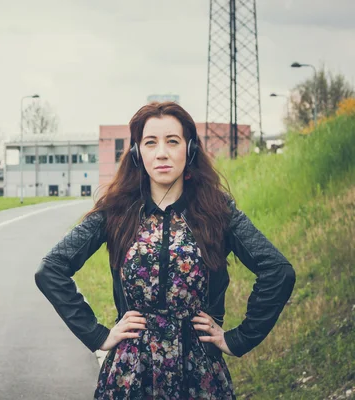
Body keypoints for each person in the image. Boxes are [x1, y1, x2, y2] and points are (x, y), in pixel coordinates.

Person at [35, 101, 296, 399]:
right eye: (150, 142)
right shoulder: (116, 211)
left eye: (172, 141)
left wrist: (238, 339)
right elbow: (51, 269)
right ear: (137, 152)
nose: (162, 152)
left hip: (199, 373)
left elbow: (278, 271)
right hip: (130, 373)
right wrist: (98, 335)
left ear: (190, 149)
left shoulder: (217, 212)